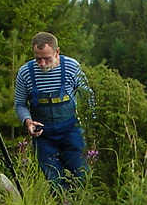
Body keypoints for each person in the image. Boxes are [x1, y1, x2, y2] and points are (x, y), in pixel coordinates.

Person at [14, 32, 95, 190]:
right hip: (44, 136)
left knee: (81, 175)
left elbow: (88, 97)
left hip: (71, 130)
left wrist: (92, 125)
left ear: (57, 52)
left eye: (47, 58)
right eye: (38, 59)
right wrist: (28, 122)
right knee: (54, 181)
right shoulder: (25, 73)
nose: (42, 63)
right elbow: (20, 104)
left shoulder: (71, 67)